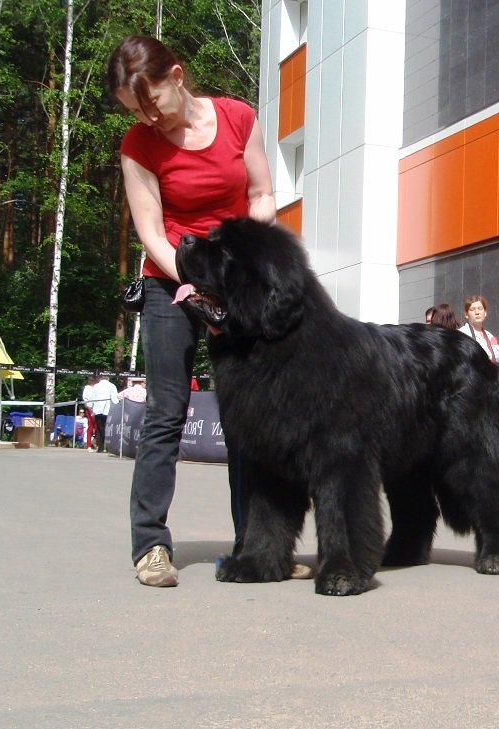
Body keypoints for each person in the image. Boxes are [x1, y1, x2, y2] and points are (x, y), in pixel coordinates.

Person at [107, 34, 277, 587]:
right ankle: (150, 546)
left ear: (177, 76)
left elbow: (261, 193)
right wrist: (193, 282)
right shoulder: (140, 145)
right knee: (165, 413)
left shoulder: (237, 118)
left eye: (153, 101)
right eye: (137, 111)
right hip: (170, 281)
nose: (149, 118)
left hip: (235, 280)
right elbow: (152, 233)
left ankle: (255, 547)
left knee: (247, 419)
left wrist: (246, 257)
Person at [458, 295, 499, 362]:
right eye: (472, 309)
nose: (477, 312)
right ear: (466, 314)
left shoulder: (490, 336)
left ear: (485, 312)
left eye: (480, 308)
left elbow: (497, 358)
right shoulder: (461, 334)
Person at [90, 375, 118, 453]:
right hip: (108, 410)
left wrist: (92, 408)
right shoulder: (111, 386)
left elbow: (92, 398)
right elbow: (114, 399)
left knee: (99, 429)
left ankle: (100, 448)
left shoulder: (96, 386)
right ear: (108, 378)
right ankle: (109, 448)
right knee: (108, 429)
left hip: (97, 410)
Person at [82, 376, 97, 451]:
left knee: (97, 426)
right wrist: (90, 408)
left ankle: (97, 444)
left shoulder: (97, 387)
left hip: (97, 408)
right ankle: (89, 445)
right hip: (90, 408)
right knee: (91, 426)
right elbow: (85, 398)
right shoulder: (87, 388)